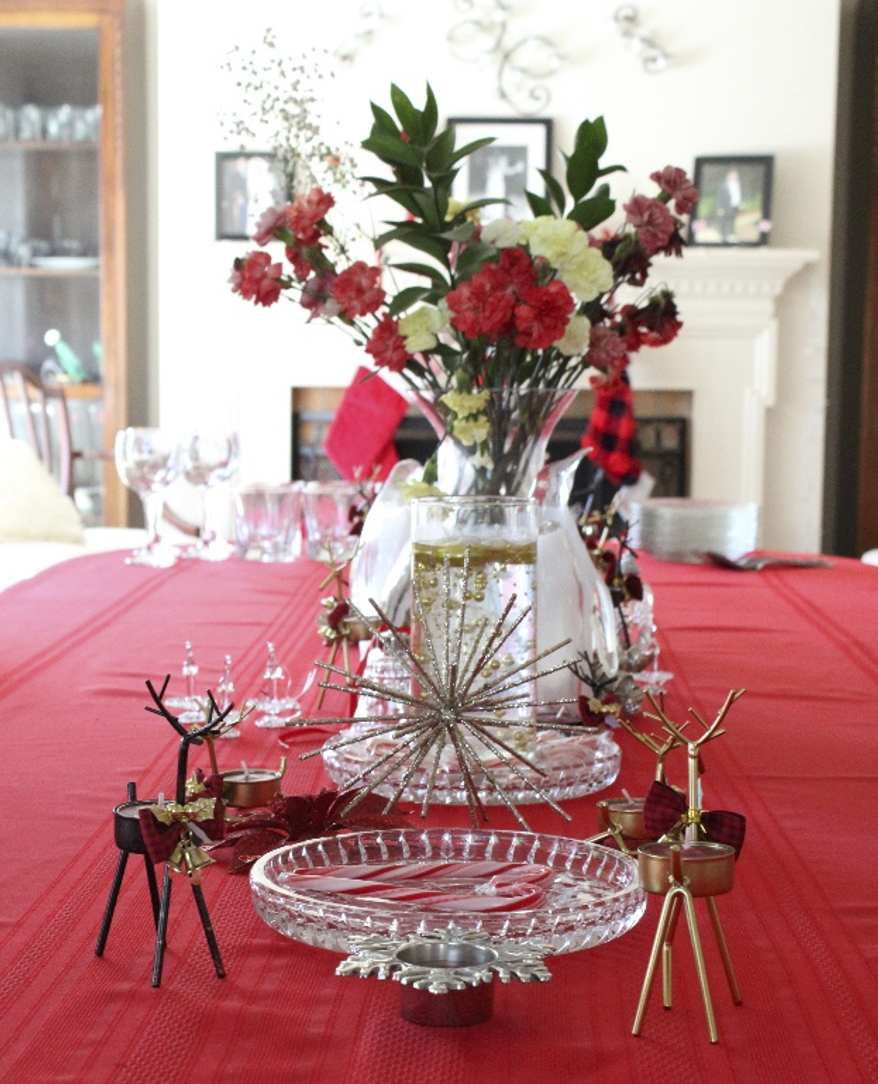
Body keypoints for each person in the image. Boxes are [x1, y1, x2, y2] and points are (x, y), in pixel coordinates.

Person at [714, 168, 742, 242]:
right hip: (725, 206)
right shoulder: (723, 185)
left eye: (736, 175)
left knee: (732, 219)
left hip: (735, 205)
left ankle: (731, 233)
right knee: (724, 221)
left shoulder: (738, 183)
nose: (736, 176)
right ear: (729, 175)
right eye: (734, 175)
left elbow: (738, 194)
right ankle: (723, 237)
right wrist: (720, 208)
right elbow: (719, 197)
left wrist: (740, 203)